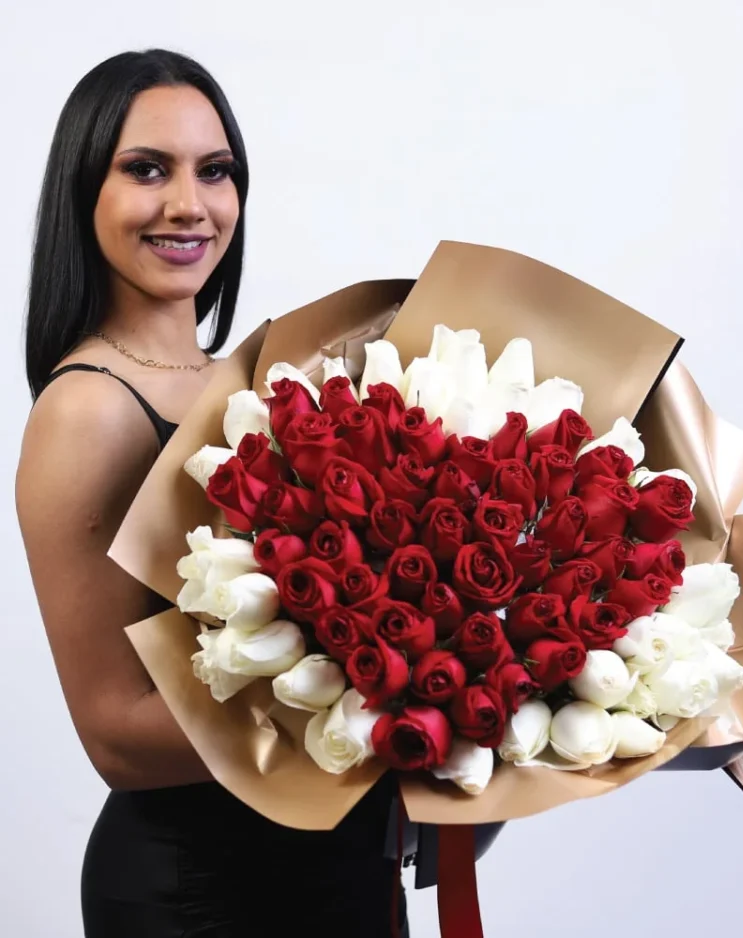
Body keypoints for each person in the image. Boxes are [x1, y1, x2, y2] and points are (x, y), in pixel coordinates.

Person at [16, 49, 407, 938]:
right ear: (86, 191)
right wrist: (389, 709)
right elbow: (117, 735)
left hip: (340, 870)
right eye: (146, 168)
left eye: (216, 171)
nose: (190, 204)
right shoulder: (88, 409)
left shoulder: (256, 383)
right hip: (205, 894)